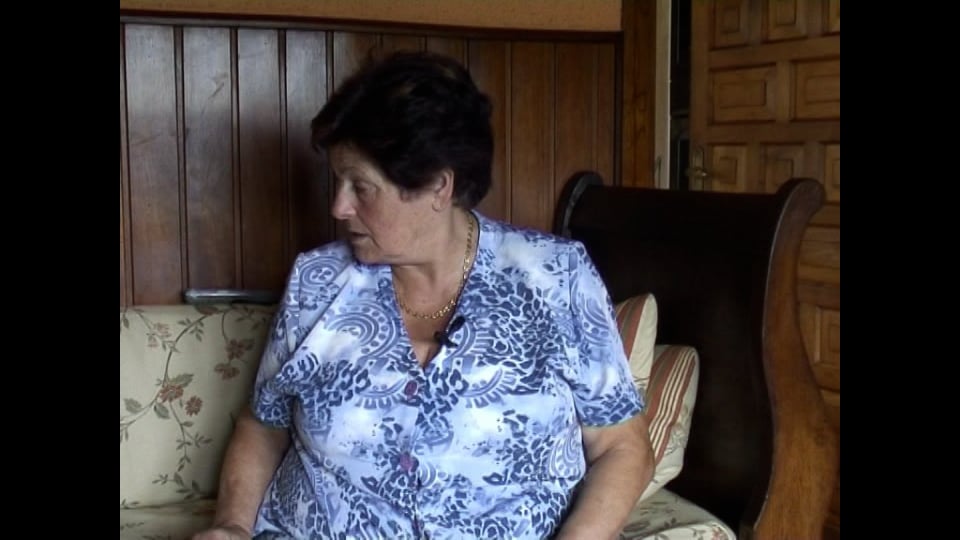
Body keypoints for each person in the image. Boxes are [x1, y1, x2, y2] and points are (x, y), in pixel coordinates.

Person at [193, 50, 653, 540]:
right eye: (337, 181)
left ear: (438, 186)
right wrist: (232, 527)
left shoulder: (555, 278)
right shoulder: (318, 280)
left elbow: (622, 447)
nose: (338, 206)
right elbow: (263, 424)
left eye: (361, 187)